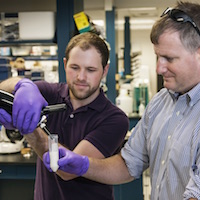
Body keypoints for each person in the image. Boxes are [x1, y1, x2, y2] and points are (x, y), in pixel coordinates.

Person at [42, 1, 200, 200]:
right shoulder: (161, 102)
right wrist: (84, 164)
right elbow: (127, 165)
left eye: (169, 58)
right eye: (158, 57)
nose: (159, 69)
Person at [0, 32, 129, 200]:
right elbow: (4, 89)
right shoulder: (50, 93)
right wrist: (20, 84)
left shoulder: (114, 119)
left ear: (105, 70)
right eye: (74, 67)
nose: (81, 77)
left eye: (90, 70)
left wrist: (29, 127)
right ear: (65, 64)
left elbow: (66, 171)